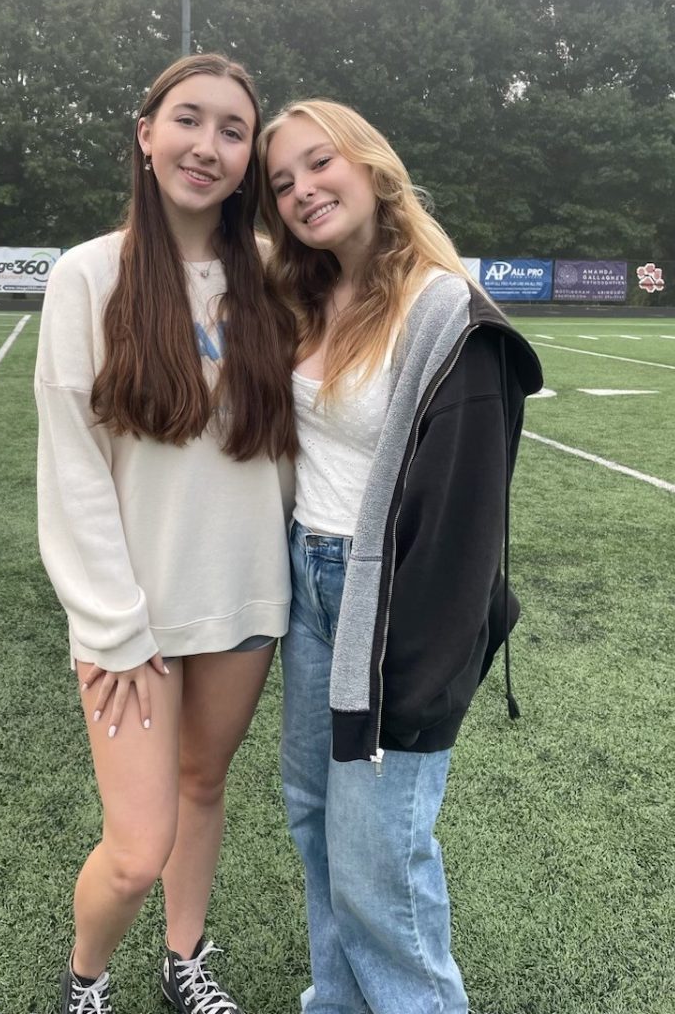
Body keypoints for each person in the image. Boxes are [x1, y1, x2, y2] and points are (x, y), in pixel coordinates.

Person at [258, 99, 543, 1014]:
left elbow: (463, 525)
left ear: (372, 165)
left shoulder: (443, 307)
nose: (303, 190)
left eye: (319, 163)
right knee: (317, 829)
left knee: (382, 862)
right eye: (283, 182)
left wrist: (419, 680)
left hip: (393, 605)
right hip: (310, 587)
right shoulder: (306, 292)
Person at [35, 54, 297, 1014]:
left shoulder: (273, 276)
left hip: (246, 595)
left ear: (246, 161)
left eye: (234, 131)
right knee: (137, 847)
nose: (209, 145)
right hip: (131, 618)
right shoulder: (89, 275)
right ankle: (87, 977)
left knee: (203, 785)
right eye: (189, 120)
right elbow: (73, 465)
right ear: (146, 135)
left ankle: (185, 961)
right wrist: (113, 623)